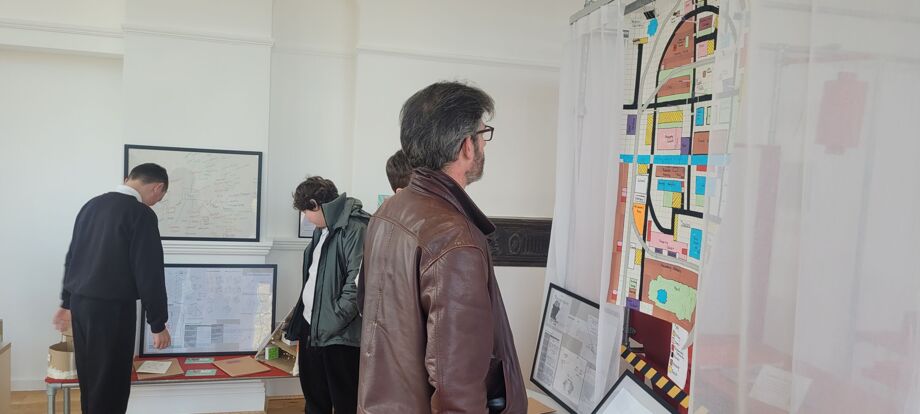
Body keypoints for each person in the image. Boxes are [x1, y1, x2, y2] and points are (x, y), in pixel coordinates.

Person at [358, 81, 527, 413]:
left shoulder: (388, 210)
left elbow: (368, 308)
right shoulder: (454, 238)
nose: (484, 144)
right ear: (467, 146)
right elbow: (456, 384)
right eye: (483, 134)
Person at [52, 163, 172, 414]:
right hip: (112, 310)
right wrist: (158, 323)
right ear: (157, 187)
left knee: (90, 377)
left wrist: (67, 302)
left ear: (128, 179)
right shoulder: (141, 214)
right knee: (111, 381)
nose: (155, 203)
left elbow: (73, 256)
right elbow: (149, 272)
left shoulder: (91, 206)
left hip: (82, 306)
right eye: (159, 199)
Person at [284, 176, 369, 414]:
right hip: (313, 329)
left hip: (339, 337)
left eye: (305, 211)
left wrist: (331, 322)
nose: (305, 218)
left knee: (345, 404)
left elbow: (357, 285)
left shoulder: (356, 228)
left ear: (315, 204)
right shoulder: (321, 230)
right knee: (314, 401)